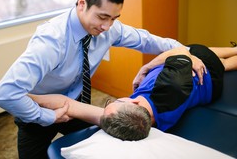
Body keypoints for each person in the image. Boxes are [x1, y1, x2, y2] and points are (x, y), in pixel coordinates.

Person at [0, 0, 205, 158]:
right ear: (82, 3)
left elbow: (147, 40)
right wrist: (49, 117)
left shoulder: (109, 29)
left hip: (76, 106)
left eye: (114, 18)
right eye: (102, 17)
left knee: (107, 146)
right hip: (36, 111)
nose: (107, 26)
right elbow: (4, 94)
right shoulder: (51, 41)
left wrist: (184, 51)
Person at [20, 44, 237, 142]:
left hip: (197, 86)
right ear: (134, 106)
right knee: (210, 57)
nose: (119, 99)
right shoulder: (171, 85)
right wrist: (145, 68)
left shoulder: (129, 121)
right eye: (118, 101)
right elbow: (180, 52)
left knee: (220, 59)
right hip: (206, 75)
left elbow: (66, 103)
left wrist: (26, 96)